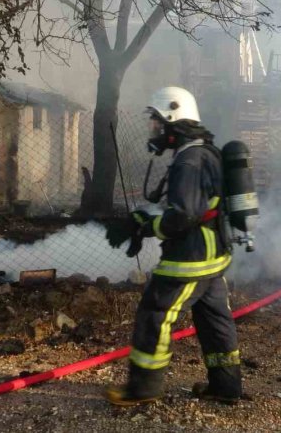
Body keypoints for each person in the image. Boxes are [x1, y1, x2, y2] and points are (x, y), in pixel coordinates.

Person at [105, 87, 242, 406]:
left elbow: (183, 214)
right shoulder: (204, 152)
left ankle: (142, 388)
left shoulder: (189, 161)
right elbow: (196, 205)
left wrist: (148, 226)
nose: (153, 128)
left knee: (155, 313)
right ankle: (226, 386)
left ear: (173, 119)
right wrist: (149, 216)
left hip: (190, 259)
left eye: (157, 121)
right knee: (214, 321)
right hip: (214, 256)